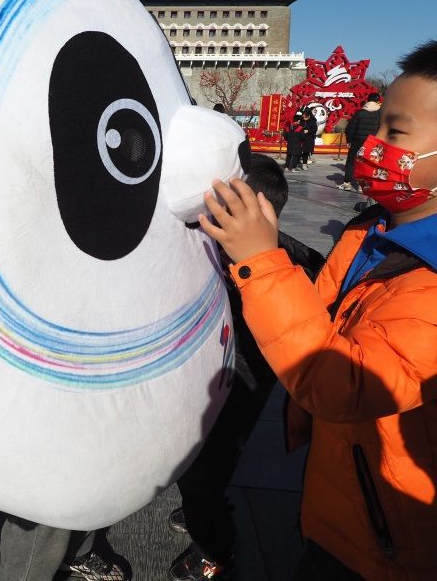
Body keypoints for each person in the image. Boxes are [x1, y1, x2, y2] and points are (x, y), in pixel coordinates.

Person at [197, 34, 437, 580]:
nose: (370, 144)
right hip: (355, 489)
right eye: (373, 127)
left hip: (399, 531)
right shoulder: (377, 229)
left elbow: (339, 385)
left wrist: (262, 264)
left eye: (395, 131)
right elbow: (328, 311)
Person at [168, 154, 324, 581]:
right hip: (212, 384)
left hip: (237, 387)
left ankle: (216, 549)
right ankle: (203, 504)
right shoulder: (205, 246)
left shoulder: (289, 265)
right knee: (202, 471)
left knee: (206, 476)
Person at [340, 93, 382, 190]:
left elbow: (350, 128)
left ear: (367, 100)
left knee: (351, 161)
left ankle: (347, 182)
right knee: (366, 163)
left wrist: (349, 140)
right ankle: (361, 185)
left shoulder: (360, 113)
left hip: (357, 141)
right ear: (377, 101)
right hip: (371, 143)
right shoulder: (379, 114)